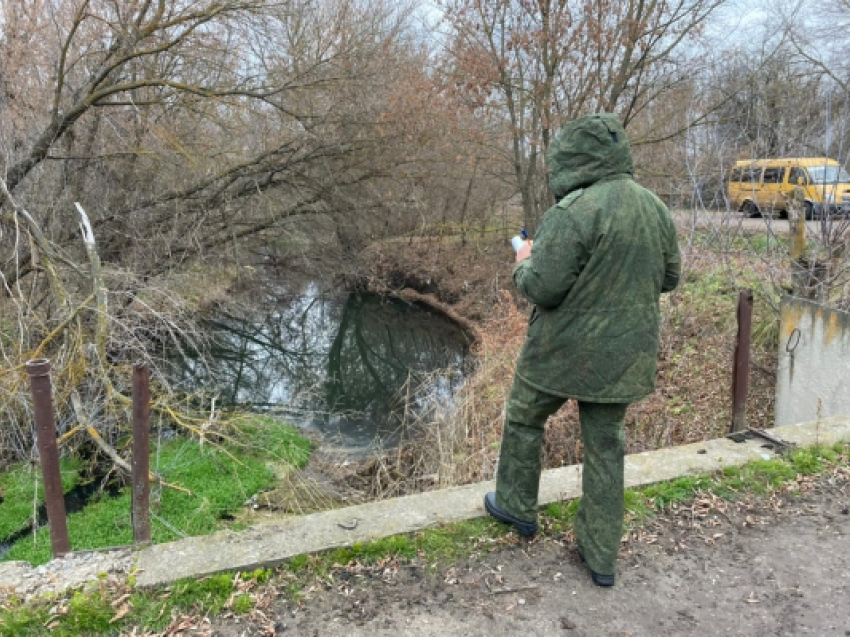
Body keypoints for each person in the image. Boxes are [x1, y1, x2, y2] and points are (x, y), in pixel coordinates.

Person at [484, 113, 681, 587]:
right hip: (624, 357)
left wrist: (522, 259)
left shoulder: (572, 212)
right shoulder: (654, 208)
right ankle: (600, 556)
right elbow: (670, 277)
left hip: (560, 352)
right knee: (606, 446)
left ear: (572, 158)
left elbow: (542, 288)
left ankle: (515, 508)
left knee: (526, 415)